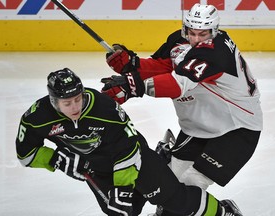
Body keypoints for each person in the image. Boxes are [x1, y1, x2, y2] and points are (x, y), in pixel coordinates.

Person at [101, 3, 263, 216]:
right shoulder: (178, 39)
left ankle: (225, 213)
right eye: (191, 32)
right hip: (197, 126)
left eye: (203, 34)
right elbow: (161, 66)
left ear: (214, 31)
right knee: (167, 183)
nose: (195, 39)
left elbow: (177, 84)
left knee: (189, 185)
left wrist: (131, 85)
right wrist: (132, 64)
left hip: (235, 129)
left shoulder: (217, 50)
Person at [15, 68, 243, 216]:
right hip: (96, 170)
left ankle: (224, 212)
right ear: (54, 102)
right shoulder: (36, 118)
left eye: (78, 99)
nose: (75, 107)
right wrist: (55, 159)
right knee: (123, 212)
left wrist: (123, 186)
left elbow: (129, 146)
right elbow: (26, 154)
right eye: (68, 103)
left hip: (134, 160)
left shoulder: (102, 108)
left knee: (174, 201)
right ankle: (162, 158)